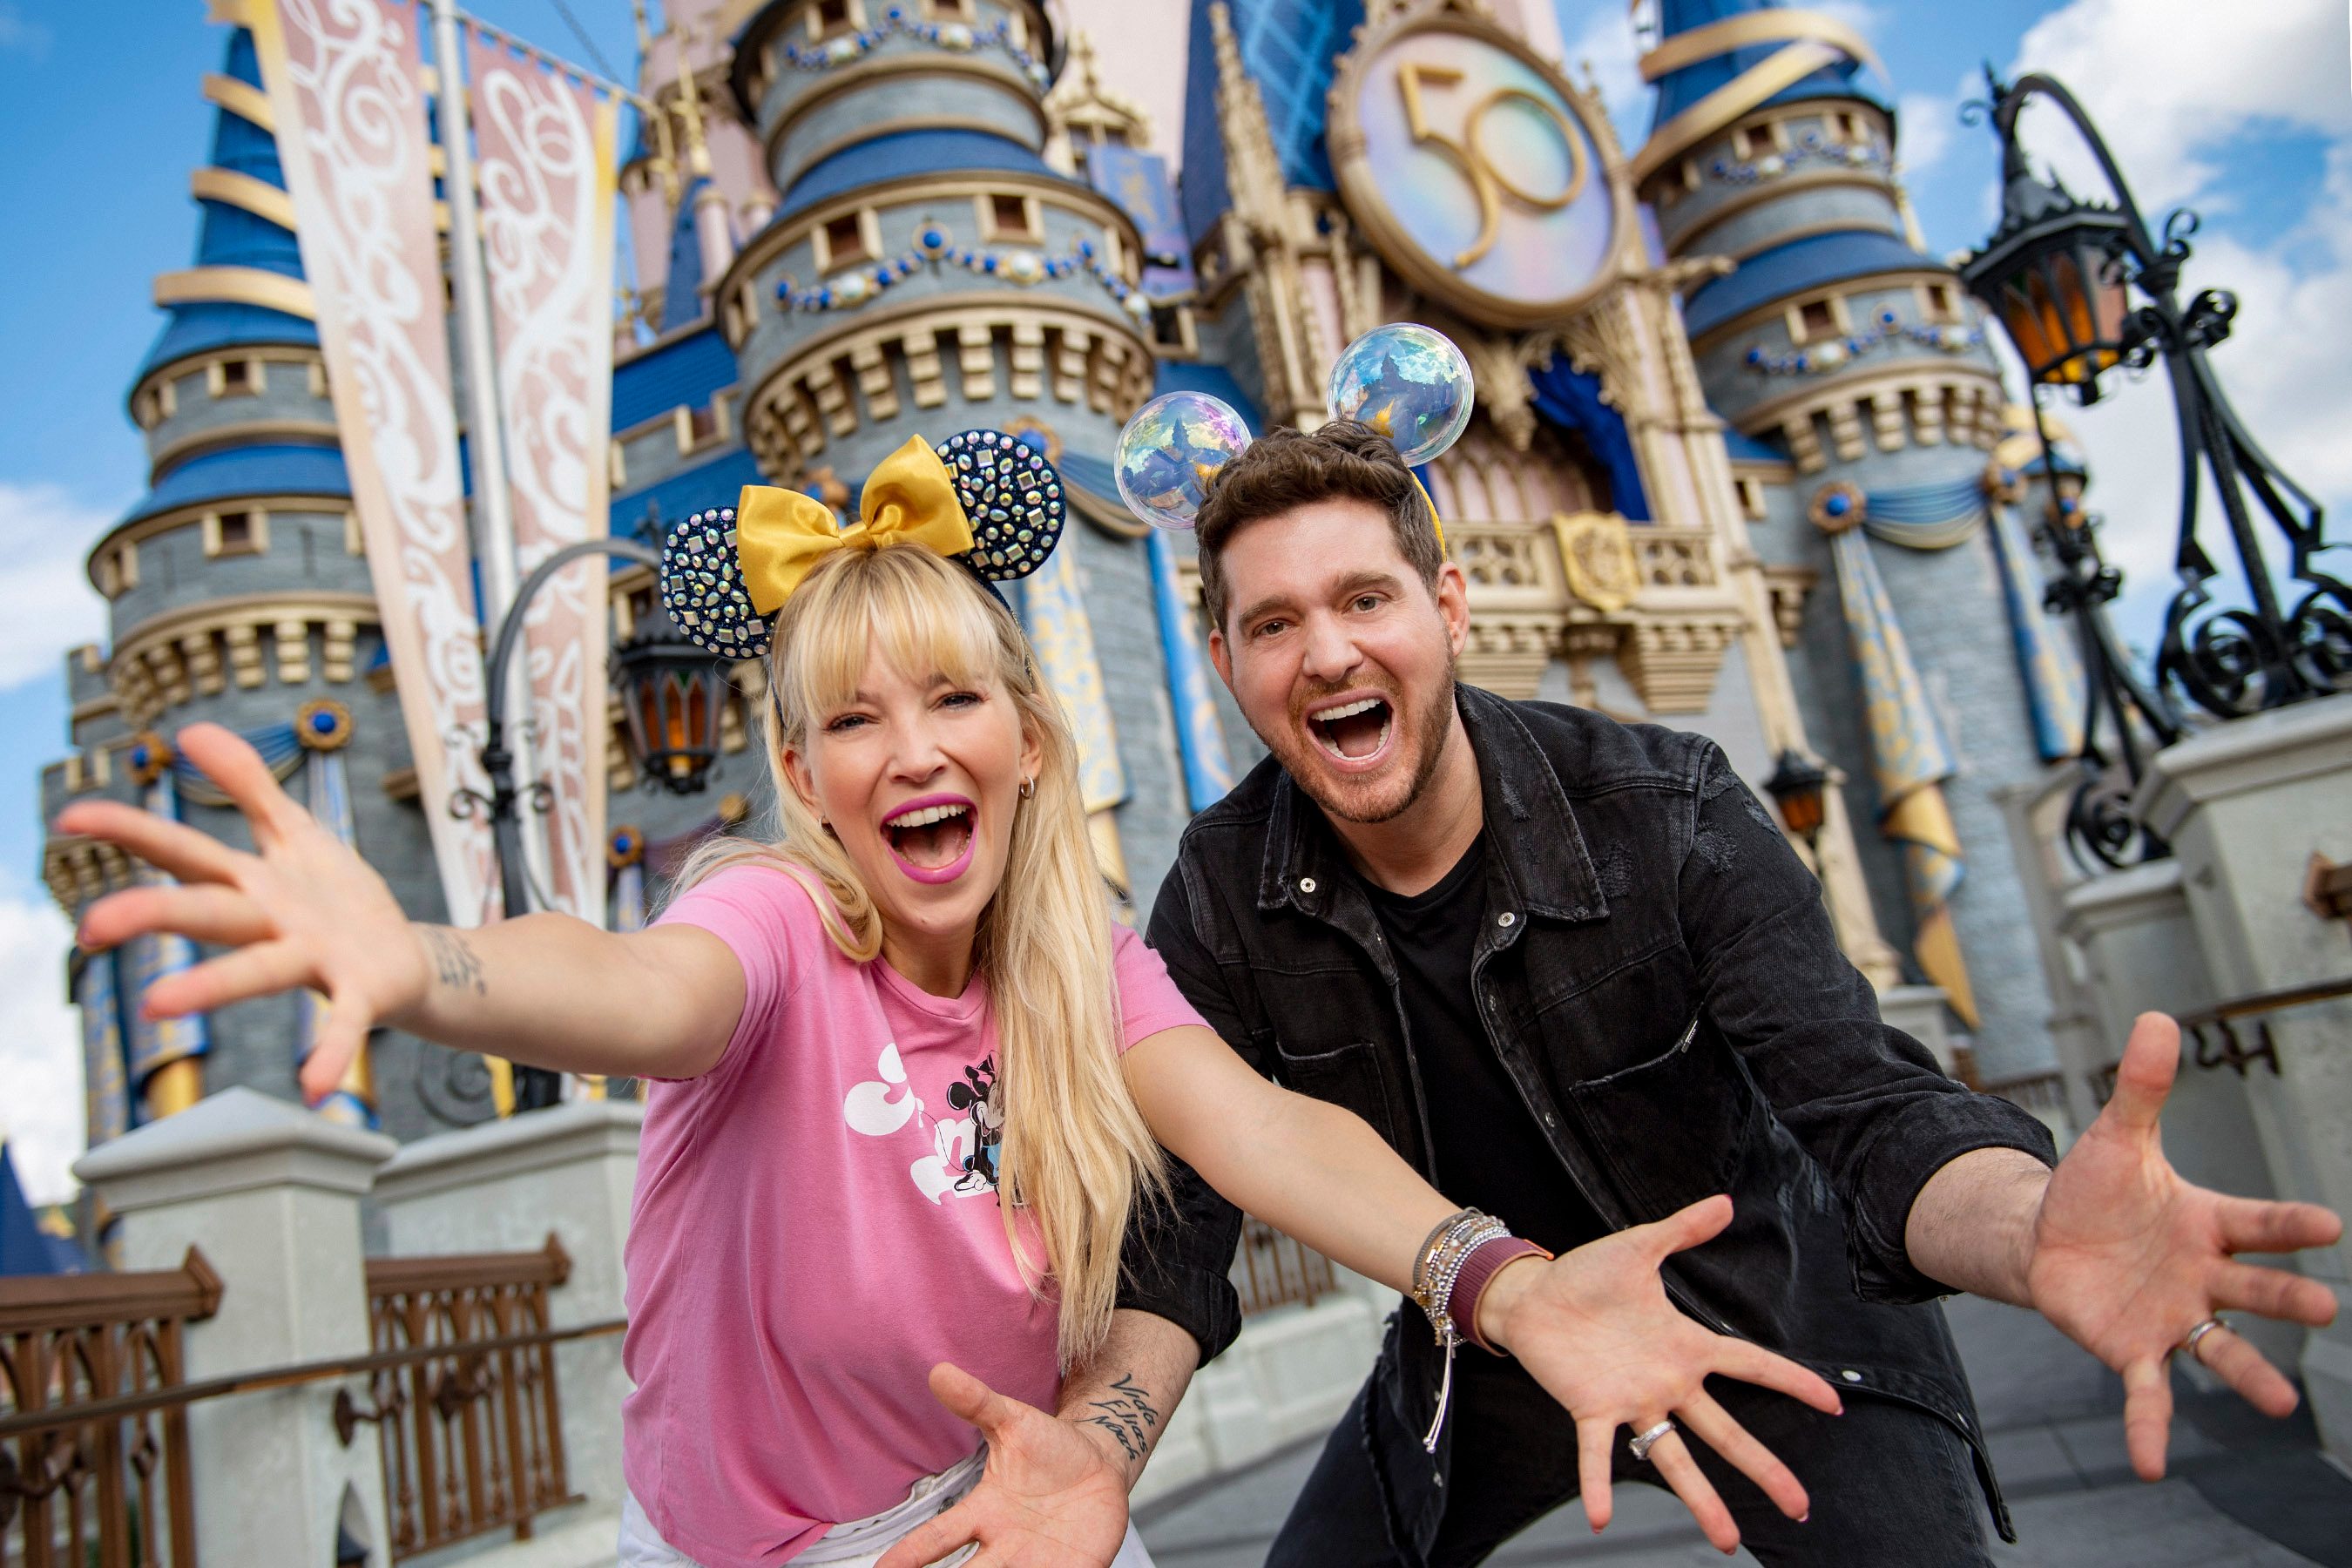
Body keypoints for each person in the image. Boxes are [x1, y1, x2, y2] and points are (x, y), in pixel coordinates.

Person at [60, 440, 1846, 1568]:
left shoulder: (1083, 968)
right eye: (853, 720)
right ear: (802, 778)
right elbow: (628, 988)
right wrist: (425, 967)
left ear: (1029, 741)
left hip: (1029, 1516)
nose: (910, 752)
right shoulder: (770, 926)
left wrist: (1500, 1283)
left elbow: (1259, 1132)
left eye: (951, 702)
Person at [1052, 421, 2338, 1566]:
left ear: (1448, 607)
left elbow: (1868, 1107)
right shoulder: (1221, 891)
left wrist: (2034, 1226)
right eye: (1275, 624)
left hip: (1772, 1318)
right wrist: (1092, 1458)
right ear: (1226, 659)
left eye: (1364, 599)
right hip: (1490, 1334)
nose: (1328, 654)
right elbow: (1176, 1240)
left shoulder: (1668, 808)